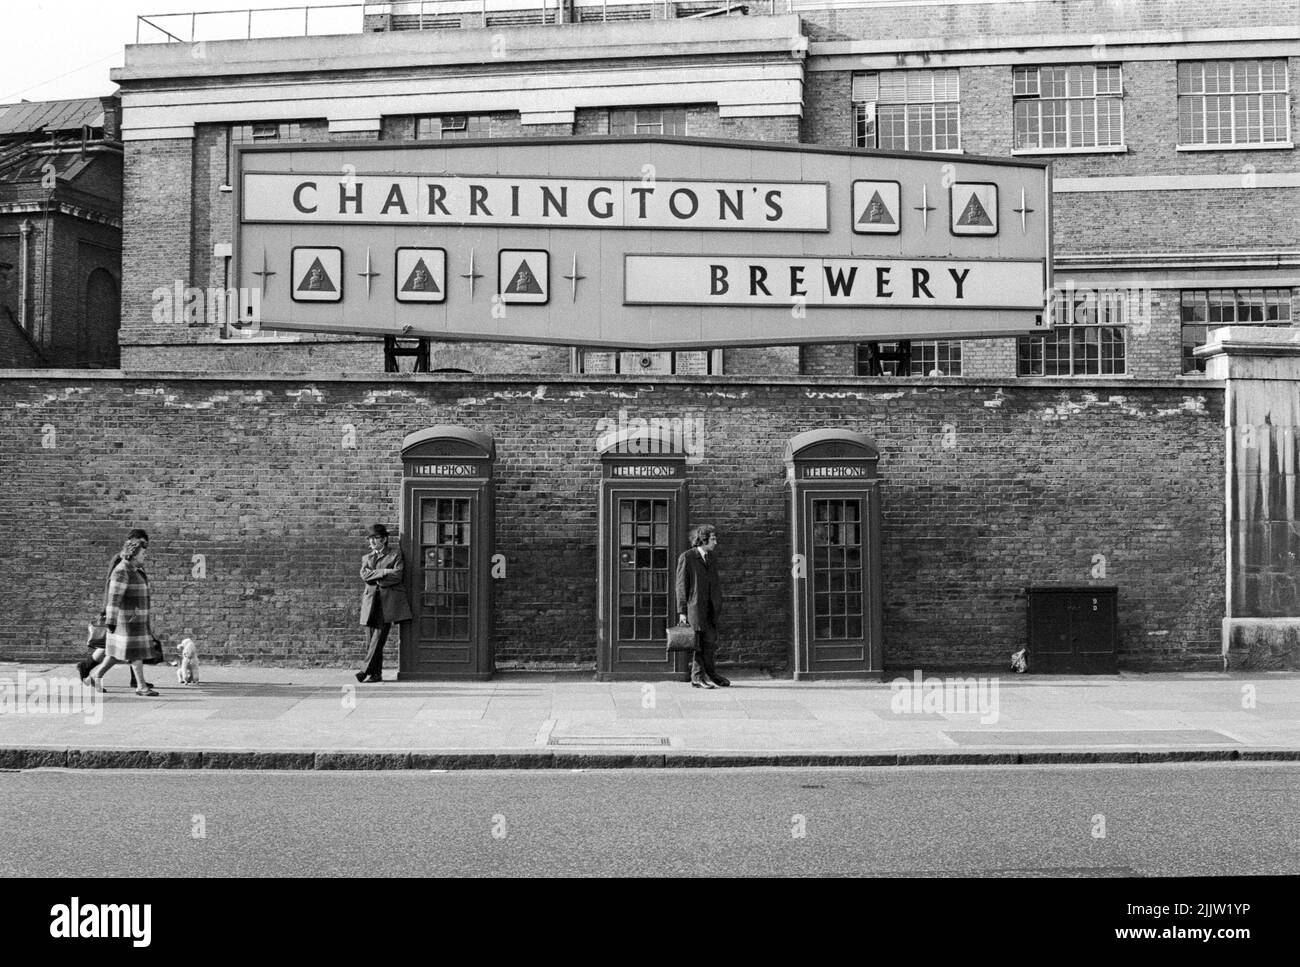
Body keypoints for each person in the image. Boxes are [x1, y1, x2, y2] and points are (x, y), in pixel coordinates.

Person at [78, 529, 154, 690]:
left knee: (114, 654)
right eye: (142, 554)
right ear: (133, 554)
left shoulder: (135, 569)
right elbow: (113, 596)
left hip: (134, 618)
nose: (145, 556)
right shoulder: (122, 570)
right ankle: (141, 686)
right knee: (135, 653)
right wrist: (110, 619)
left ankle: (95, 678)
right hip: (126, 619)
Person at [356, 524, 412, 683]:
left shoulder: (395, 554)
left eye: (376, 538)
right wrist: (385, 572)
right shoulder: (367, 557)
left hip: (387, 602)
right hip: (370, 601)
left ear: (385, 539)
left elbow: (397, 576)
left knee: (378, 637)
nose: (372, 541)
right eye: (370, 539)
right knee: (370, 639)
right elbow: (365, 576)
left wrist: (376, 576)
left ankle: (364, 670)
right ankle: (376, 674)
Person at [675, 523, 729, 689]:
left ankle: (710, 674)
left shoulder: (711, 558)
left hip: (710, 608)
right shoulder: (688, 557)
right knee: (699, 643)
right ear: (703, 539)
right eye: (713, 539)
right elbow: (681, 585)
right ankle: (699, 677)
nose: (716, 542)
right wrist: (682, 611)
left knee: (710, 643)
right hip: (695, 608)